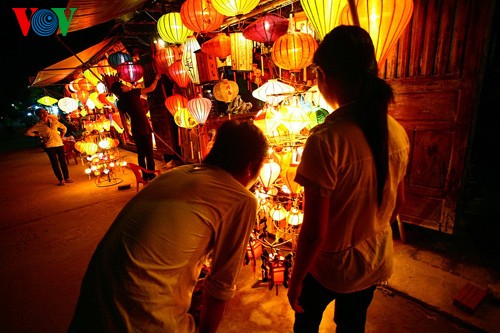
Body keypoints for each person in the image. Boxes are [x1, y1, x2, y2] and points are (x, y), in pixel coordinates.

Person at [68, 120, 269, 333]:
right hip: (142, 320)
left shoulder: (176, 174)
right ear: (251, 166)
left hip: (91, 309)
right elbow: (221, 287)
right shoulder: (242, 199)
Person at [287, 25, 410, 333]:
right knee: (352, 326)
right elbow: (399, 204)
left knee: (305, 324)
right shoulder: (396, 130)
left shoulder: (326, 140)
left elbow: (315, 232)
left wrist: (296, 277)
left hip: (331, 266)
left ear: (325, 76)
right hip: (375, 259)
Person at [110, 74, 162, 180]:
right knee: (149, 153)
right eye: (124, 84)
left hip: (135, 128)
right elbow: (151, 88)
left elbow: (123, 118)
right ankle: (151, 175)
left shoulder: (120, 102)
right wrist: (156, 78)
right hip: (144, 126)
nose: (126, 85)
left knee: (141, 154)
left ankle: (144, 175)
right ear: (121, 88)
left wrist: (127, 131)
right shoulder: (133, 93)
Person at [25, 108, 73, 186]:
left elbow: (64, 128)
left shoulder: (54, 121)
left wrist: (62, 136)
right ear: (38, 115)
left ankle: (67, 178)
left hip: (59, 143)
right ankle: (61, 180)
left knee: (63, 162)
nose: (44, 113)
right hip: (49, 145)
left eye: (45, 112)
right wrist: (39, 135)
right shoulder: (38, 125)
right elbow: (27, 132)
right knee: (54, 163)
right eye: (41, 113)